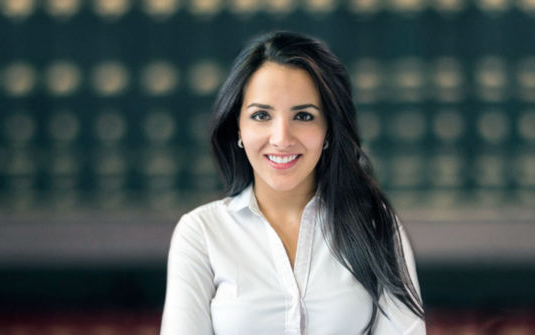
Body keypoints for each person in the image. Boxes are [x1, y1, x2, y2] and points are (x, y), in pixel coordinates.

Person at [160, 31, 425, 334]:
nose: (282, 138)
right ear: (238, 128)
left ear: (329, 130)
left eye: (303, 116)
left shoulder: (376, 226)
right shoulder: (202, 234)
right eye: (261, 115)